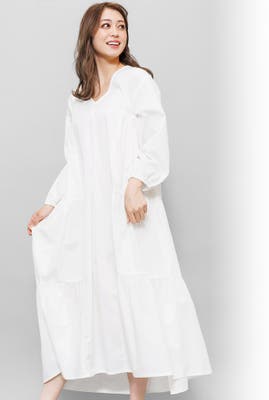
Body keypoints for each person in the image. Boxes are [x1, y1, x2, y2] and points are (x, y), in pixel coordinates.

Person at [27, 3, 212, 399]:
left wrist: (134, 184)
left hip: (131, 215)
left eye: (121, 26)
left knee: (135, 303)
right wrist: (50, 205)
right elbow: (75, 162)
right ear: (89, 34)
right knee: (81, 302)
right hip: (92, 219)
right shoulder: (77, 100)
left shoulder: (137, 81)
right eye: (106, 25)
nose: (115, 33)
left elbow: (155, 141)